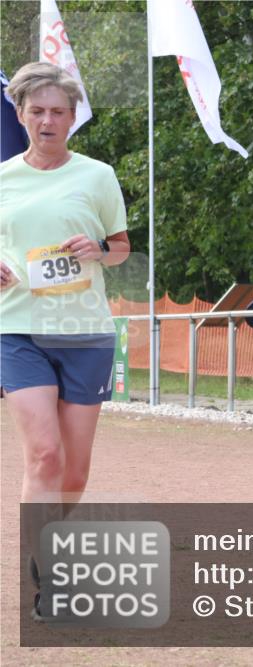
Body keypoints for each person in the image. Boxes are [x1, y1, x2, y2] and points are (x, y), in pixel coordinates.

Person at [0, 62, 130, 619]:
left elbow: (121, 246)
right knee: (45, 454)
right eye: (37, 110)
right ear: (21, 113)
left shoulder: (97, 176)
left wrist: (98, 251)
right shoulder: (2, 177)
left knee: (74, 470)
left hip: (84, 332)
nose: (47, 120)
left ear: (73, 118)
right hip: (17, 327)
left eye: (58, 111)